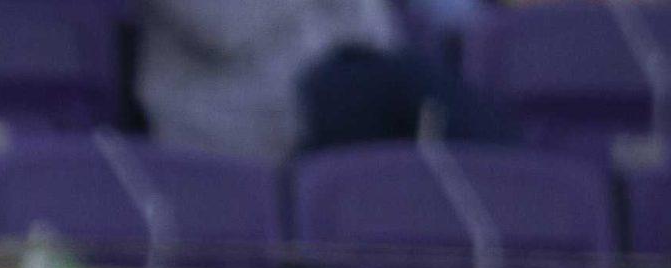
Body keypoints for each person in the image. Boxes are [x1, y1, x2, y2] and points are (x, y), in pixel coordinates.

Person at [138, 0, 513, 161]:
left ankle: (525, 194)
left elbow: (377, 40)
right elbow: (221, 25)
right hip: (232, 116)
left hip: (337, 98)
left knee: (417, 90)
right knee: (400, 87)